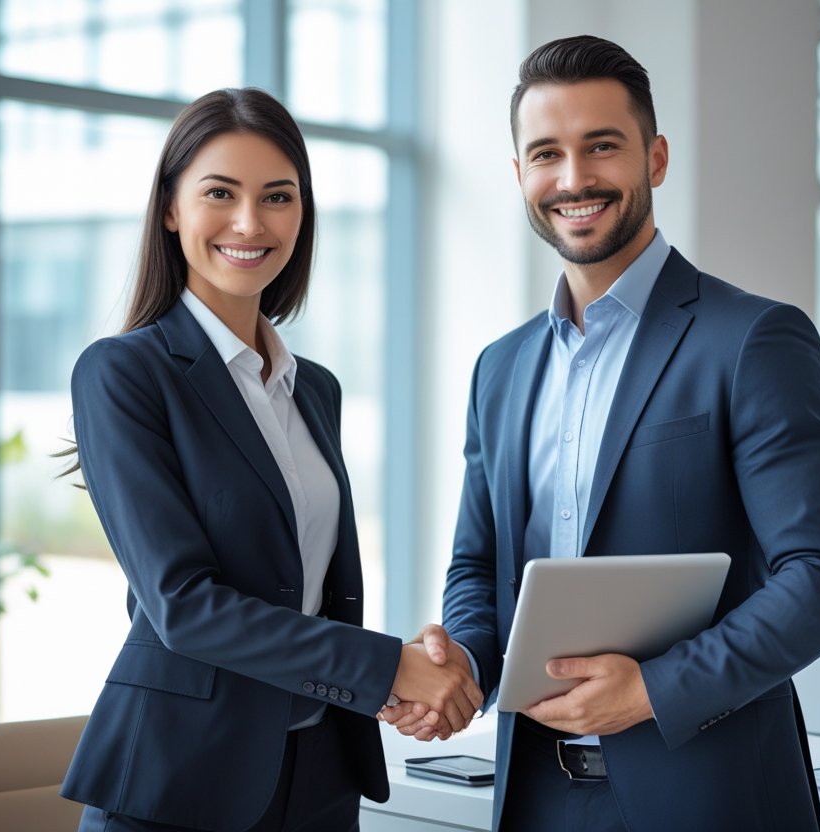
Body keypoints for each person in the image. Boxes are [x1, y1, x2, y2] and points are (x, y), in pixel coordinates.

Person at [381, 35, 820, 831]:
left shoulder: (752, 340)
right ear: (519, 176)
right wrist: (464, 664)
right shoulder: (500, 369)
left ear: (656, 157)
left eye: (601, 147)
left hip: (709, 796)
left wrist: (652, 690)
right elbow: (479, 567)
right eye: (547, 153)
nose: (573, 178)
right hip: (534, 792)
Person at [59, 87, 482, 832]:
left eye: (278, 197)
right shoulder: (123, 373)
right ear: (170, 209)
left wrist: (388, 678)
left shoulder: (313, 389)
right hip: (181, 781)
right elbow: (184, 605)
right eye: (219, 193)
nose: (250, 223)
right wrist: (386, 666)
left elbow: (307, 591)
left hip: (318, 776)